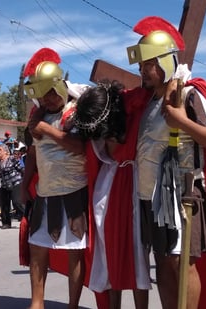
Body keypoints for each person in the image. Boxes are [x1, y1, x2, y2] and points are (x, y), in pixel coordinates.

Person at [125, 16, 206, 309]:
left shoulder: (190, 93)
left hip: (182, 194)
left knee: (182, 263)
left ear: (163, 62)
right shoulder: (149, 101)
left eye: (147, 65)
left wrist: (181, 122)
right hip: (150, 196)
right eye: (140, 66)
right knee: (162, 263)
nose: (142, 72)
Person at [73, 82, 153, 309]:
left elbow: (145, 92)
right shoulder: (95, 117)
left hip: (134, 185)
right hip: (106, 189)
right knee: (109, 255)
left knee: (138, 256)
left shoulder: (130, 107)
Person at [21, 47, 89, 309]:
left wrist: (47, 129)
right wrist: (25, 182)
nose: (47, 99)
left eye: (50, 92)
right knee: (38, 251)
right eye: (41, 94)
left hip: (74, 191)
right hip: (45, 192)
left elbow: (81, 146)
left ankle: (72, 305)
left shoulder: (78, 109)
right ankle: (36, 304)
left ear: (60, 86)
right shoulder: (36, 116)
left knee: (75, 253)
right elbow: (32, 152)